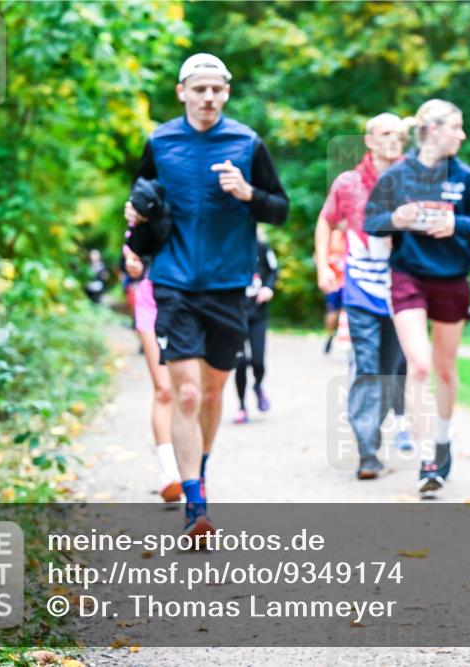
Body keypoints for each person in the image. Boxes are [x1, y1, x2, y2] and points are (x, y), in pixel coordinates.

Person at [125, 53, 289, 538]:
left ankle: (201, 469)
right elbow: (140, 202)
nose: (208, 98)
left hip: (228, 285)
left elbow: (280, 210)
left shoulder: (247, 142)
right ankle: (195, 503)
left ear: (227, 93)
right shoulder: (160, 141)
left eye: (217, 89)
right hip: (174, 283)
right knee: (188, 392)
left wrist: (248, 195)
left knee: (215, 392)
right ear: (182, 92)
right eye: (199, 89)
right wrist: (136, 224)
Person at [364, 99, 470, 494]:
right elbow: (370, 221)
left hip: (452, 279)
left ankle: (442, 441)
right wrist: (396, 219)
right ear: (431, 130)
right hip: (408, 276)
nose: (462, 135)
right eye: (456, 127)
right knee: (420, 365)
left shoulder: (467, 178)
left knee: (443, 367)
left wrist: (455, 223)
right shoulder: (398, 176)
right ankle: (426, 455)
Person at [315, 113, 414, 480]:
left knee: (392, 372)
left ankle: (374, 431)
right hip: (360, 291)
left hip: (403, 289)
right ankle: (367, 453)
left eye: (398, 135)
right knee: (367, 367)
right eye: (384, 134)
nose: (393, 140)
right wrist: (325, 266)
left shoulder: (413, 177)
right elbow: (326, 221)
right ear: (369, 141)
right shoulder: (348, 182)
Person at [122, 247, 181, 503]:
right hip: (152, 300)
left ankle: (191, 469)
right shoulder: (142, 210)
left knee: (190, 392)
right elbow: (133, 253)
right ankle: (170, 473)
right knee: (165, 389)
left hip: (193, 299)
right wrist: (132, 263)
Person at [233, 234, 278, 424]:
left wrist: (268, 288)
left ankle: (258, 386)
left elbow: (274, 269)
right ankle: (242, 406)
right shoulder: (228, 247)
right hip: (236, 314)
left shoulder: (262, 246)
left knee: (258, 360)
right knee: (240, 362)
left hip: (258, 314)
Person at [321, 227, 346, 355]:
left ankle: (349, 342)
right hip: (334, 285)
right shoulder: (329, 238)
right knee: (332, 315)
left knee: (349, 314)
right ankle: (330, 335)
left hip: (348, 285)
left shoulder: (350, 237)